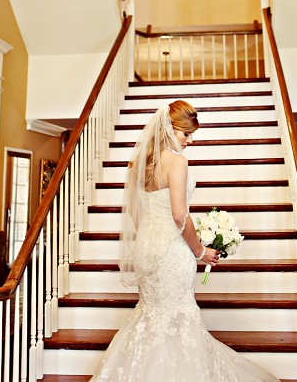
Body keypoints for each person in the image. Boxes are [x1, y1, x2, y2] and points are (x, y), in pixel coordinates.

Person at [90, 100, 279, 381]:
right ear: (170, 129)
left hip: (147, 247)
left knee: (150, 312)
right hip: (171, 252)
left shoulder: (136, 165)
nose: (189, 141)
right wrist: (200, 250)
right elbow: (180, 214)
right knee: (177, 314)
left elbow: (135, 212)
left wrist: (152, 237)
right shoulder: (176, 161)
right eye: (185, 134)